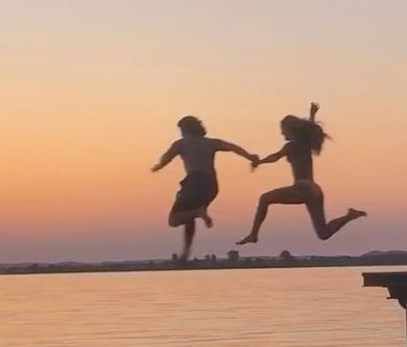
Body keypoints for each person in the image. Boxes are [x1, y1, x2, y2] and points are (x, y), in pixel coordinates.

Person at [237, 102, 366, 246]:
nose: (281, 133)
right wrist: (312, 116)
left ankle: (254, 234)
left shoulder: (291, 146)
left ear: (290, 130)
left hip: (302, 189)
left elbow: (275, 157)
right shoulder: (305, 143)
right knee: (323, 233)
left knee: (264, 198)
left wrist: (259, 162)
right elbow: (309, 130)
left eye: (283, 130)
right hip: (315, 190)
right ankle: (350, 216)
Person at [153, 116, 258, 261]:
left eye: (181, 130)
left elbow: (167, 158)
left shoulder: (181, 144)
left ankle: (198, 213)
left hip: (194, 182)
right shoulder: (211, 143)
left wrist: (159, 165)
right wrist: (250, 157)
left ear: (185, 130)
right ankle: (186, 251)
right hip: (211, 186)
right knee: (189, 216)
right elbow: (233, 147)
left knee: (174, 219)